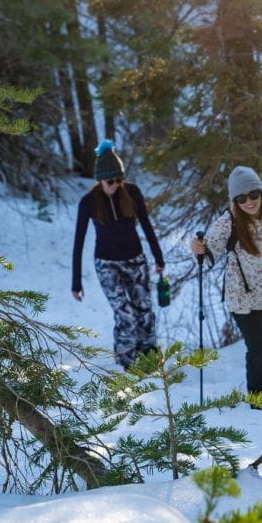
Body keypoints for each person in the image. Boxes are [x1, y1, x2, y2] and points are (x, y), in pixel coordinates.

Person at [190, 166, 262, 419]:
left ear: (261, 193)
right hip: (244, 298)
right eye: (241, 198)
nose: (249, 202)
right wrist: (198, 248)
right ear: (235, 200)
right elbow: (209, 253)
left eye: (253, 195)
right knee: (260, 348)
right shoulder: (228, 221)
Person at [72, 140, 165, 370]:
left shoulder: (132, 192)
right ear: (100, 180)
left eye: (118, 179)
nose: (115, 185)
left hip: (135, 260)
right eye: (110, 181)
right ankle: (126, 359)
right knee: (126, 314)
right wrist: (76, 282)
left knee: (144, 310)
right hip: (107, 265)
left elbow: (146, 225)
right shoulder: (88, 202)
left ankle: (149, 355)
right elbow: (78, 242)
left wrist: (158, 258)